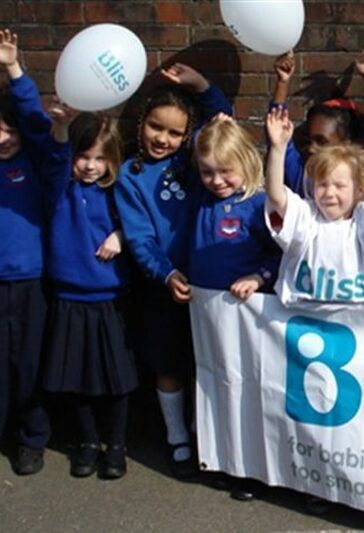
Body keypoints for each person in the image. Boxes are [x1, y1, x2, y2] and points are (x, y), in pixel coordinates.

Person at [114, 63, 231, 479]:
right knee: (168, 364)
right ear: (142, 122)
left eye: (174, 132)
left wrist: (202, 85)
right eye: (155, 127)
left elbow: (223, 124)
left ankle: (206, 437)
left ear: (186, 136)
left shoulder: (193, 162)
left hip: (208, 281)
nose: (162, 139)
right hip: (164, 286)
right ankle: (177, 436)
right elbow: (140, 237)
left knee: (209, 362)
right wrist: (165, 274)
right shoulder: (130, 175)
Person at [41, 106, 136, 479]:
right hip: (68, 298)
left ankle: (116, 445)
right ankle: (87, 442)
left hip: (109, 300)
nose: (91, 166)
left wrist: (121, 236)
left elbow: (142, 225)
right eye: (84, 156)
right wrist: (61, 128)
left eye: (100, 158)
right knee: (74, 379)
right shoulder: (59, 189)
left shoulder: (117, 193)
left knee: (116, 381)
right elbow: (53, 160)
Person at [264, 106, 364, 309]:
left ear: (359, 189)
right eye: (322, 184)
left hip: (353, 325)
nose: (329, 193)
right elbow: (276, 196)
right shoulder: (306, 216)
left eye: (339, 186)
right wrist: (277, 148)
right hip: (299, 321)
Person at [0, 28, 52, 476]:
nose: (2, 137)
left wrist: (14, 70)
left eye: (7, 129)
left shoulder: (31, 161)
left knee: (29, 364)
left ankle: (31, 438)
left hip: (30, 280)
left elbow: (36, 123)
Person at [189, 116, 281, 300]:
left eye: (225, 171)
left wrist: (258, 278)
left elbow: (282, 252)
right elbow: (197, 146)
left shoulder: (260, 204)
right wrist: (214, 123)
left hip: (244, 306)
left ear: (245, 161)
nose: (216, 181)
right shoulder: (203, 195)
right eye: (207, 172)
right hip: (202, 305)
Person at [270, 50, 364, 195]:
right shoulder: (302, 178)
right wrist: (282, 82)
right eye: (309, 140)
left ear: (346, 143)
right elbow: (277, 129)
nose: (312, 148)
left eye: (321, 142)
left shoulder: (363, 180)